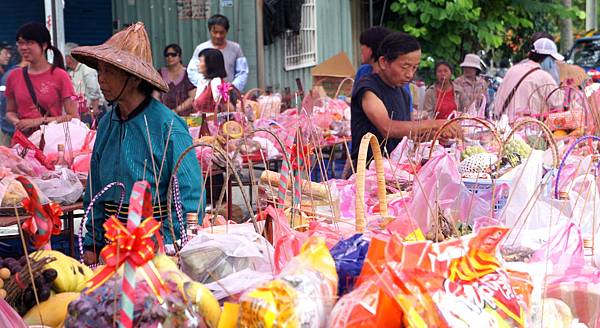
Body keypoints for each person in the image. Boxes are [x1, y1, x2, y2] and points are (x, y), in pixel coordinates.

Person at [71, 22, 204, 264]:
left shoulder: (168, 127)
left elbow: (190, 199)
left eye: (109, 72)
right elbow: (95, 190)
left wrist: (166, 245)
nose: (101, 79)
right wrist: (92, 242)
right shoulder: (106, 124)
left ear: (133, 79)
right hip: (109, 251)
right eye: (99, 71)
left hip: (156, 253)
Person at [351, 32, 460, 160]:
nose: (410, 74)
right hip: (369, 170)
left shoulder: (402, 92)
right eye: (405, 67)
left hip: (394, 168)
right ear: (383, 62)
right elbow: (388, 128)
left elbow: (407, 135)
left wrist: (434, 135)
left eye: (414, 68)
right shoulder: (368, 88)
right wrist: (436, 123)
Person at [4, 22, 77, 136]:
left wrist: (38, 122)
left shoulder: (60, 75)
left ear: (44, 45)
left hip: (50, 142)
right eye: (20, 43)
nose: (23, 47)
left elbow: (73, 116)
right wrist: (17, 122)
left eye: (29, 43)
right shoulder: (13, 76)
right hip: (21, 143)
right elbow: (10, 111)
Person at [493, 37, 563, 120]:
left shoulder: (513, 69)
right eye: (553, 60)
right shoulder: (544, 76)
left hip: (502, 125)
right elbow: (558, 104)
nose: (553, 65)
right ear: (547, 58)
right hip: (526, 128)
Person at [353, 26, 414, 111]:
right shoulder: (363, 71)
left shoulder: (397, 76)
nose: (360, 50)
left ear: (371, 49)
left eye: (363, 46)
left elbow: (406, 111)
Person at [187, 14, 249, 92]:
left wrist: (232, 86)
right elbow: (192, 71)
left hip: (230, 93)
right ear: (210, 31)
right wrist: (206, 84)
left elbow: (242, 72)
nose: (218, 36)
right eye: (215, 32)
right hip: (206, 92)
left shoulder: (236, 48)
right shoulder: (201, 49)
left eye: (221, 32)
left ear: (227, 31)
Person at [64, 42, 105, 125]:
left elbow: (94, 89)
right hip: (80, 111)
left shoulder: (86, 69)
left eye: (65, 57)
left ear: (69, 57)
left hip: (92, 110)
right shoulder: (70, 71)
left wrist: (94, 109)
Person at [155, 44, 196, 115]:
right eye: (167, 55)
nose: (170, 57)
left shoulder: (188, 73)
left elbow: (192, 97)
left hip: (186, 116)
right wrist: (163, 111)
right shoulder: (159, 74)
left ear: (179, 56)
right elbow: (155, 95)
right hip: (164, 115)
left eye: (173, 54)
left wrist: (177, 110)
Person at [193, 48, 228, 113]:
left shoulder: (216, 82)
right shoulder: (203, 82)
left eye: (201, 61)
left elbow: (223, 107)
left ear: (210, 64)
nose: (198, 64)